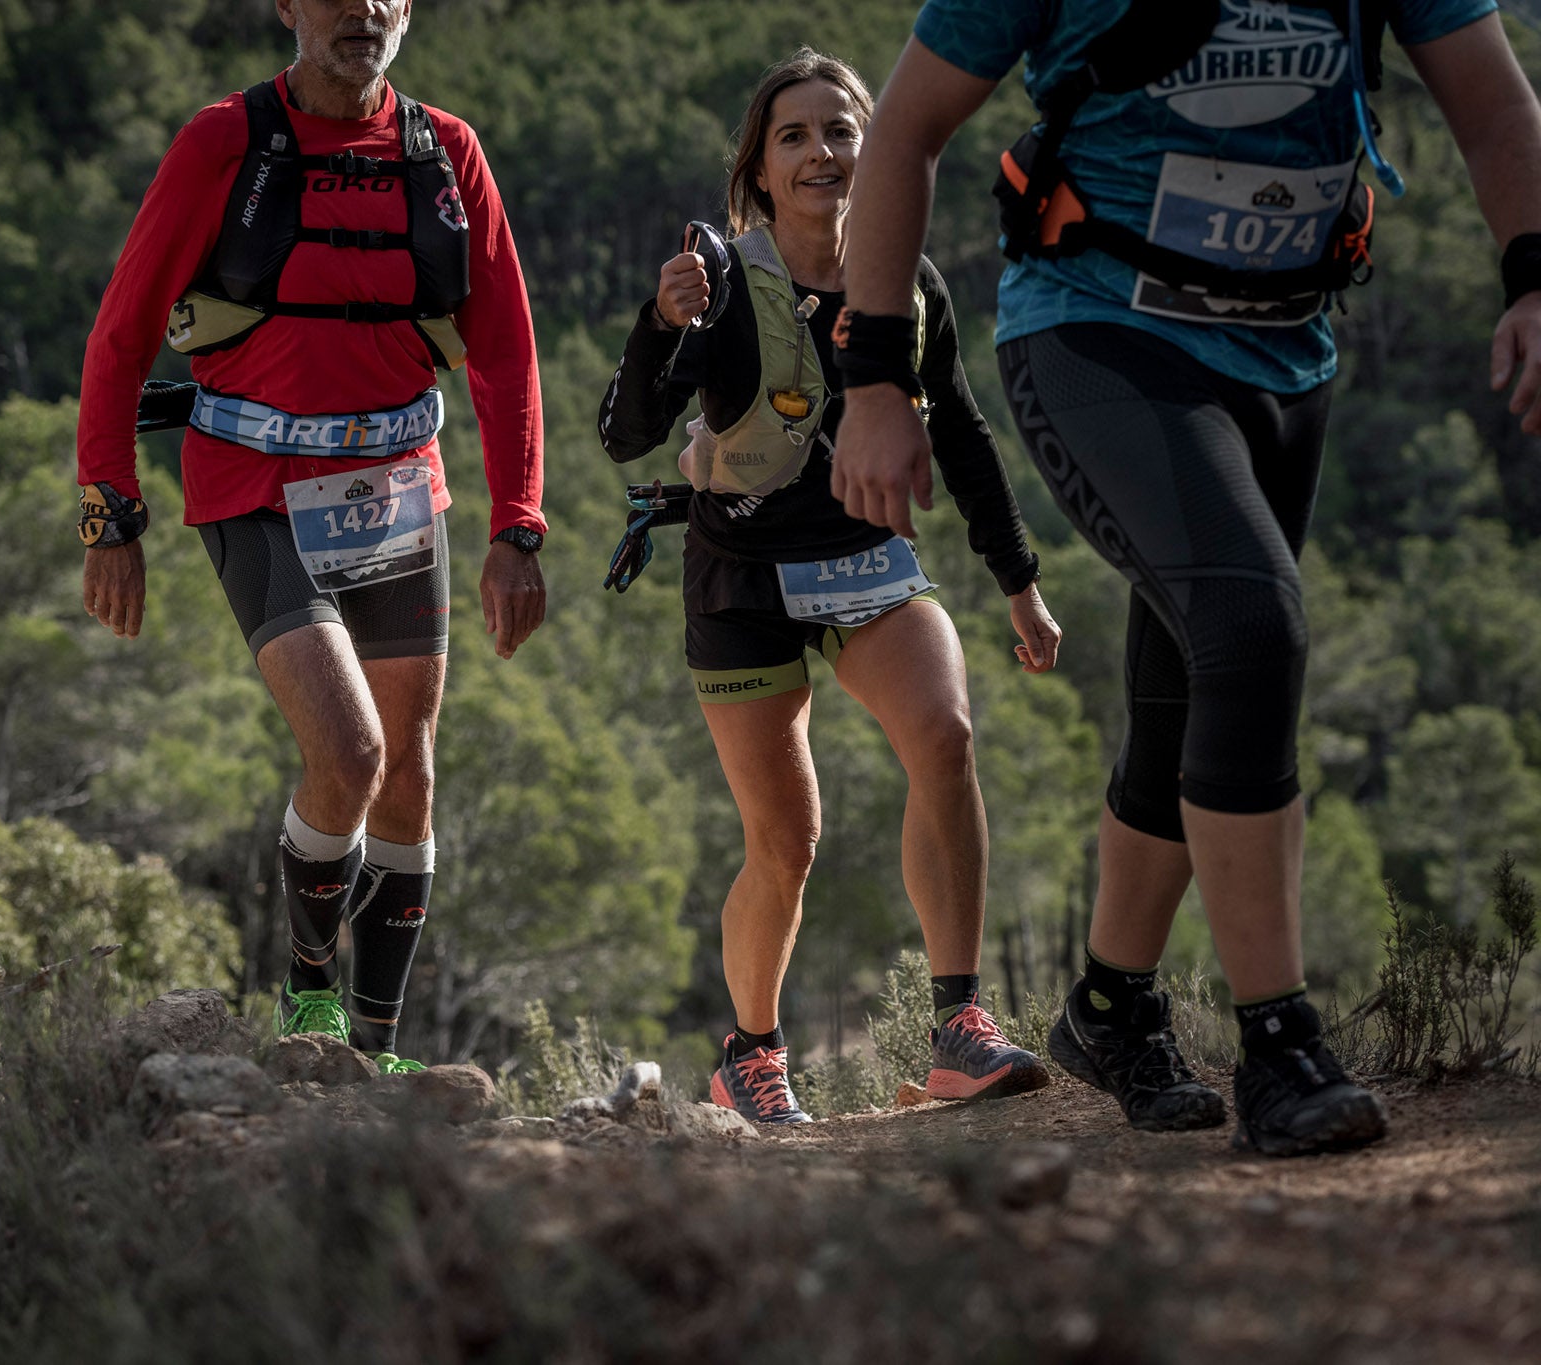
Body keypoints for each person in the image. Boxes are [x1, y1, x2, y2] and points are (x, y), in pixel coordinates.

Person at [833, 0, 1541, 1155]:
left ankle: (1108, 1006)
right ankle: (1279, 1047)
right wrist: (873, 379)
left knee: (1186, 680)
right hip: (1095, 332)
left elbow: (1494, 103)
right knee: (1250, 628)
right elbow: (904, 131)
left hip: (1285, 352)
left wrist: (1528, 276)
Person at [74, 0, 548, 1072]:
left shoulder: (446, 152)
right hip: (251, 483)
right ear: (287, 5)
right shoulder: (222, 143)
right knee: (350, 752)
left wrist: (516, 525)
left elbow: (505, 354)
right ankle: (307, 995)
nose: (364, 10)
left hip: (396, 487)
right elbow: (121, 330)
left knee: (411, 774)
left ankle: (378, 1051)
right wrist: (110, 511)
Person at [598, 48, 1063, 1125]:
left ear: (874, 148)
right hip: (742, 579)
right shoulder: (716, 281)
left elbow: (963, 433)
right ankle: (748, 1055)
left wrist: (1016, 581)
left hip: (868, 564)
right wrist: (660, 326)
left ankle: (958, 1027)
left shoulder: (907, 286)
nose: (821, 152)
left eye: (841, 131)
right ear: (758, 170)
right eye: (793, 136)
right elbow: (626, 433)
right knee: (785, 845)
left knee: (943, 737)